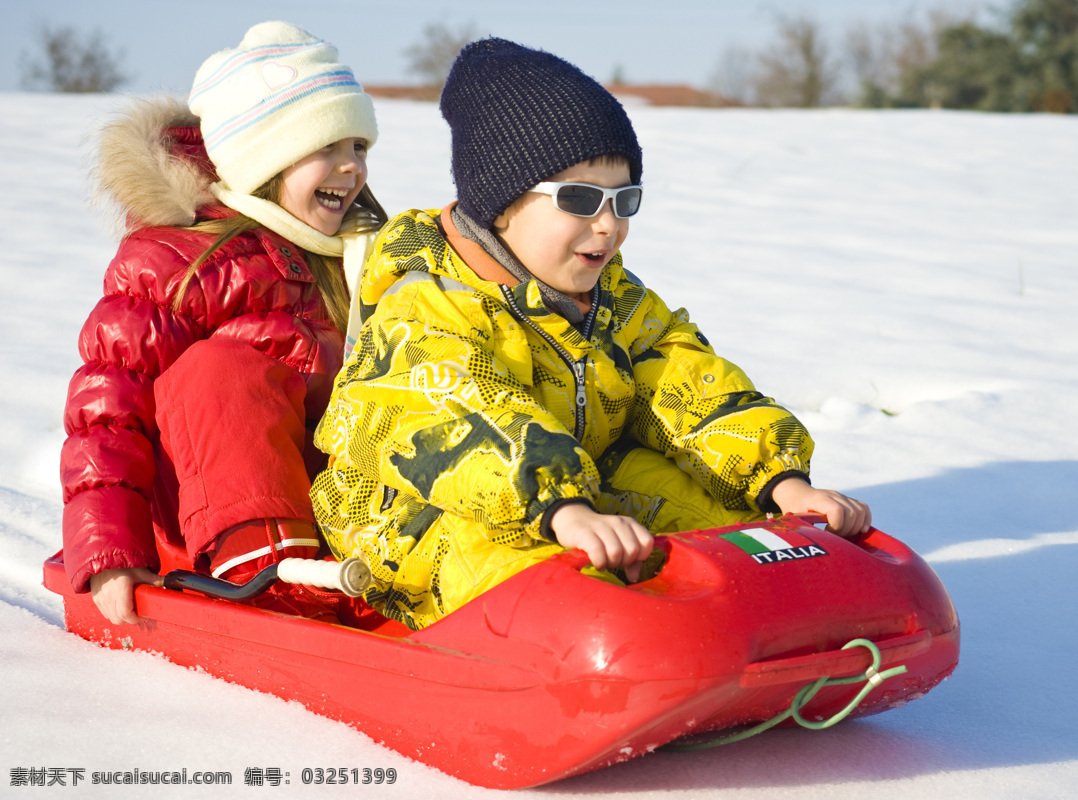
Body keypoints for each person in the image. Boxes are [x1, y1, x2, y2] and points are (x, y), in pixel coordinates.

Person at [309, 38, 870, 631]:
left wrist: (780, 480)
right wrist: (562, 507)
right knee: (520, 565)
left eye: (623, 198)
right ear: (500, 203)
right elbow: (455, 414)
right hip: (418, 517)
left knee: (721, 520)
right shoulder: (426, 301)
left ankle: (785, 597)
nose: (608, 224)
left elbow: (680, 379)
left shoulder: (611, 296)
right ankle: (594, 635)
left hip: (576, 487)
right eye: (579, 198)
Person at [61, 21, 386, 625]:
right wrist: (110, 548)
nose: (351, 169)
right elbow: (108, 408)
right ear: (267, 158)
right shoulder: (179, 261)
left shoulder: (364, 255)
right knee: (223, 368)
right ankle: (264, 574)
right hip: (209, 521)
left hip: (336, 510)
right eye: (326, 148)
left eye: (359, 148)